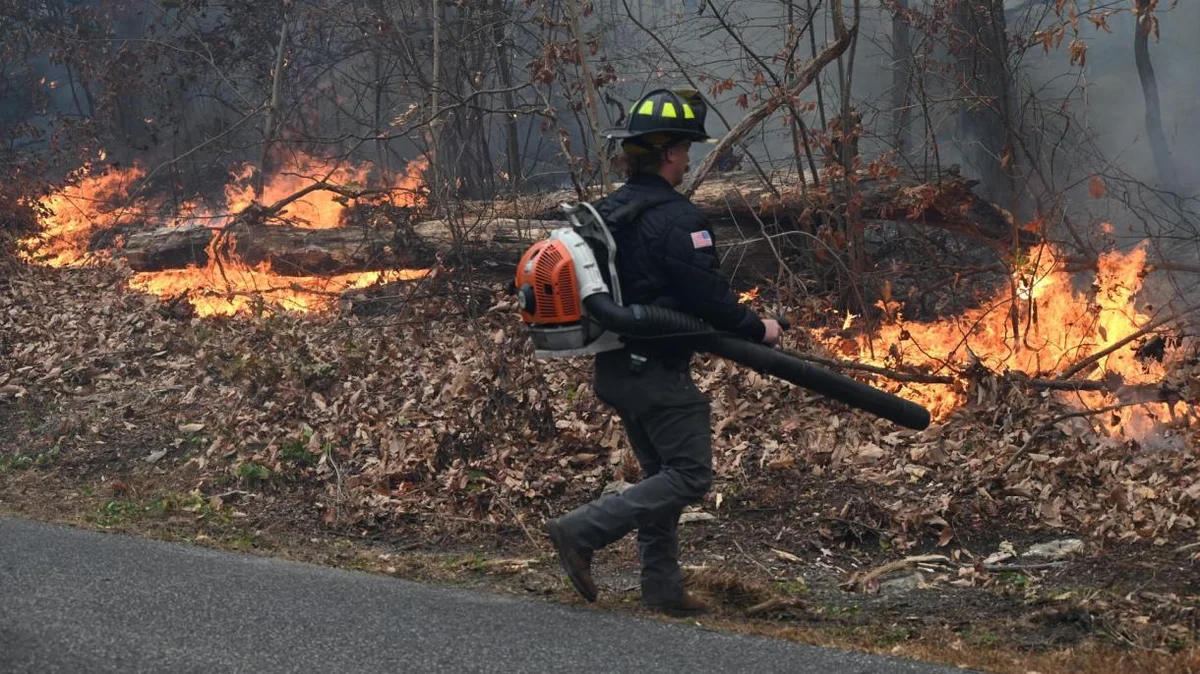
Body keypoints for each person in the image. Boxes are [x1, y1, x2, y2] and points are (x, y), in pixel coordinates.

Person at [544, 89, 782, 617]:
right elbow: (708, 299)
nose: (689, 158)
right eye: (687, 149)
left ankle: (662, 589)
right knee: (690, 475)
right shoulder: (679, 219)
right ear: (671, 153)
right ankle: (580, 531)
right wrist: (758, 327)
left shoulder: (607, 213)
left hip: (616, 367)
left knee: (661, 478)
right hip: (655, 373)